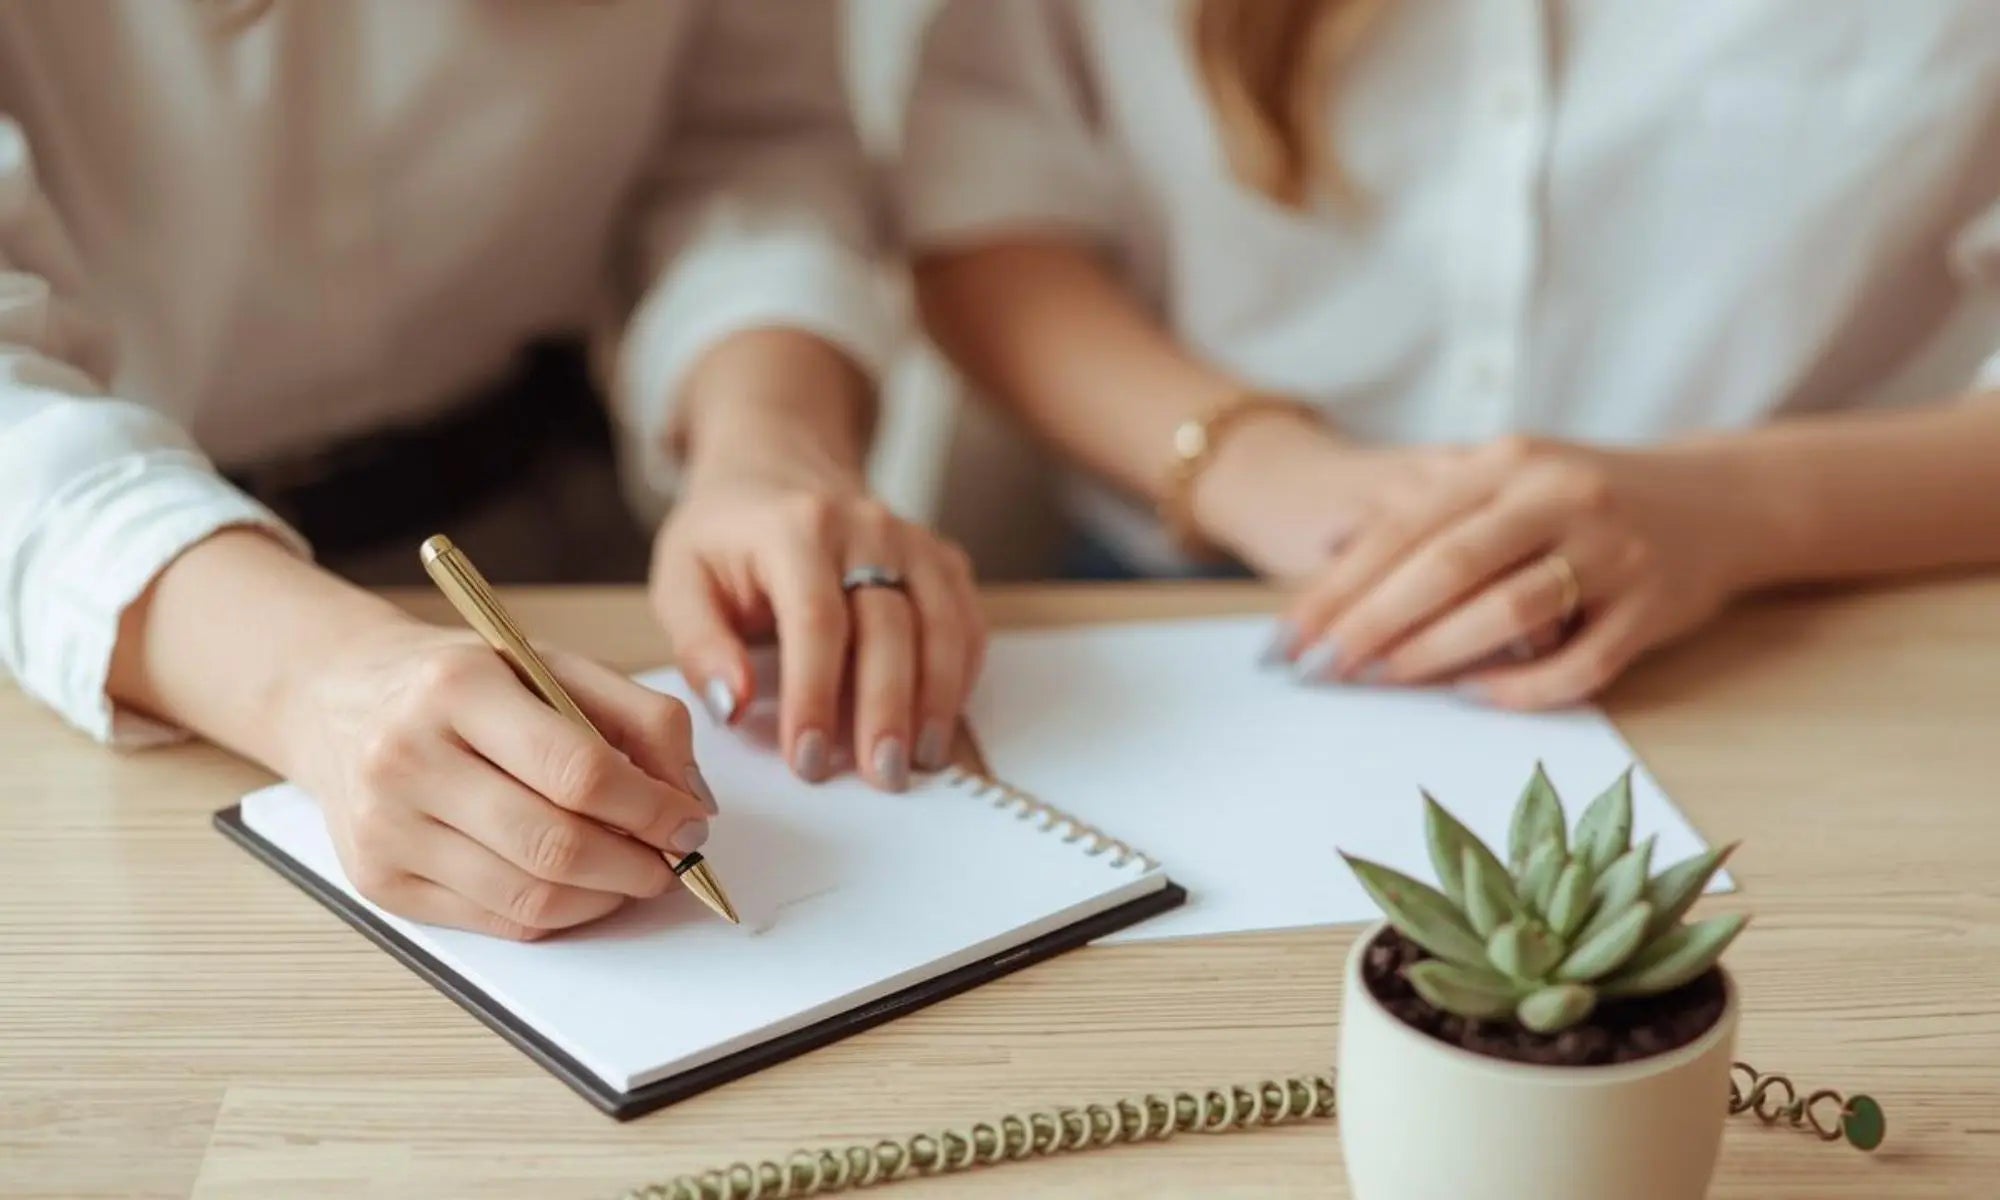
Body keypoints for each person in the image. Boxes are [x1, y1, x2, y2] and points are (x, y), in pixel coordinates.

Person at [0, 0, 983, 942]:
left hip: (564, 513)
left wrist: (767, 446)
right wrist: (322, 681)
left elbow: (748, 148)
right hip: (136, 615)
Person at [902, 0, 2000, 711]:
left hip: (1802, 620)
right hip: (1183, 588)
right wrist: (1256, 471)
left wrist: (1733, 510)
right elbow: (994, 216)